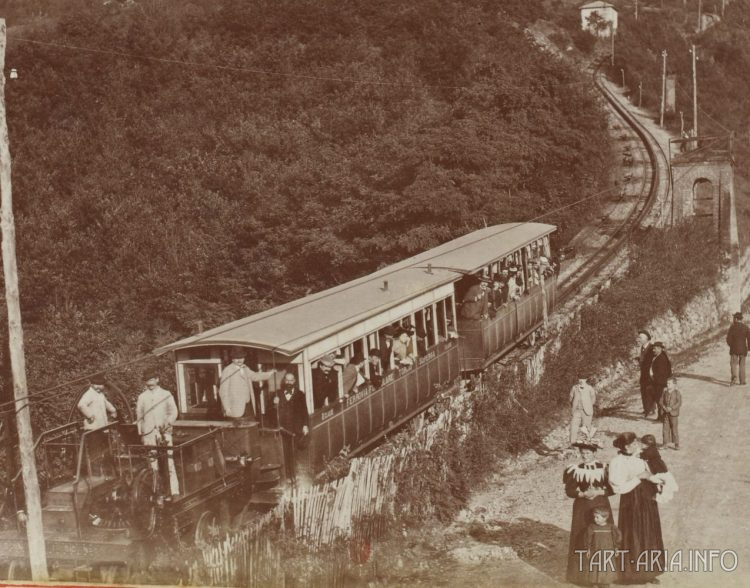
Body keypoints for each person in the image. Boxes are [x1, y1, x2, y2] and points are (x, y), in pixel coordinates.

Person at [608, 432, 665, 584]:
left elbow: (651, 472)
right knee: (632, 534)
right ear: (625, 447)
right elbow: (617, 488)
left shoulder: (641, 456)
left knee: (649, 532)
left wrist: (657, 481)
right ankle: (630, 574)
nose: (636, 446)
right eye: (632, 444)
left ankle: (649, 572)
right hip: (631, 502)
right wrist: (638, 478)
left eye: (636, 443)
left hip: (646, 500)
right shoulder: (617, 462)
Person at [563, 427, 612, 585]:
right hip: (582, 507)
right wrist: (582, 494)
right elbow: (569, 490)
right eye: (583, 454)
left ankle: (603, 577)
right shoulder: (575, 469)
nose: (585, 456)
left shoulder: (604, 468)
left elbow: (612, 489)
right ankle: (584, 577)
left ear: (594, 453)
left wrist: (599, 492)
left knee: (602, 538)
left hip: (600, 504)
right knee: (583, 537)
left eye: (588, 453)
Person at [136, 372, 180, 496]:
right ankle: (157, 492)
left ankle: (174, 491)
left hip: (164, 433)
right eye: (147, 381)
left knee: (169, 462)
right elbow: (139, 416)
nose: (149, 383)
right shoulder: (142, 397)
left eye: (151, 380)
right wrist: (142, 434)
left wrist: (168, 422)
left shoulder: (166, 394)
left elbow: (173, 412)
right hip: (149, 434)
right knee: (152, 464)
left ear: (157, 379)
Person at [218, 347, 275, 420]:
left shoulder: (245, 368)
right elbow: (223, 391)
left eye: (241, 358)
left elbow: (254, 376)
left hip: (247, 404)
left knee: (250, 426)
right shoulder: (227, 370)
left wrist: (270, 373)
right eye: (237, 358)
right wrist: (227, 408)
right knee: (238, 429)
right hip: (235, 407)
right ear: (232, 359)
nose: (239, 360)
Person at [274, 372, 309, 480]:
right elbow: (270, 412)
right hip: (283, 429)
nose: (289, 382)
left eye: (291, 380)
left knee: (295, 453)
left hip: (296, 429)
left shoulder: (300, 394)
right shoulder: (277, 394)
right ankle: (287, 477)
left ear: (294, 381)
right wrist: (274, 404)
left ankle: (296, 476)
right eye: (287, 380)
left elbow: (304, 411)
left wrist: (305, 425)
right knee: (285, 453)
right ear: (284, 381)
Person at [582, 506, 622, 587]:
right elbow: (588, 538)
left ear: (605, 518)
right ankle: (595, 582)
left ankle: (605, 583)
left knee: (607, 566)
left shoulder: (611, 527)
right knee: (595, 566)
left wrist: (616, 548)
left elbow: (617, 537)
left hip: (608, 552)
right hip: (596, 551)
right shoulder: (592, 527)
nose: (595, 519)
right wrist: (588, 549)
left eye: (597, 517)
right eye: (594, 517)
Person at [640, 435, 678, 504]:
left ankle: (660, 491)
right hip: (659, 468)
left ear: (647, 444)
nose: (641, 445)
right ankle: (660, 488)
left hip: (658, 469)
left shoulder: (650, 451)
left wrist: (637, 454)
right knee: (659, 479)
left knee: (659, 479)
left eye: (642, 444)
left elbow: (643, 455)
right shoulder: (652, 448)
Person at [569, 376, 596, 446]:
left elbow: (593, 399)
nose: (581, 380)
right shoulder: (574, 388)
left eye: (583, 379)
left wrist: (588, 405)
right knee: (573, 426)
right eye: (580, 379)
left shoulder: (589, 388)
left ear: (586, 380)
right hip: (576, 411)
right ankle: (573, 443)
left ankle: (586, 444)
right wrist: (574, 406)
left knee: (586, 428)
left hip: (586, 411)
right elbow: (570, 398)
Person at [726, 312, 750, 385]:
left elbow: (728, 339)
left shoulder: (732, 327)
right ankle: (742, 381)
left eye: (734, 318)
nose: (733, 319)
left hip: (734, 349)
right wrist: (749, 348)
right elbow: (749, 339)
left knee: (733, 364)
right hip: (743, 349)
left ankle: (734, 378)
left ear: (736, 319)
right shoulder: (746, 327)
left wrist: (731, 345)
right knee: (742, 365)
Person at [636, 330, 655, 417]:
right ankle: (646, 409)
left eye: (640, 337)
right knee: (643, 390)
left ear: (646, 339)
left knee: (649, 391)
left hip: (650, 374)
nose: (638, 339)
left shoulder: (652, 348)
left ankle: (651, 409)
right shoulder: (642, 348)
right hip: (643, 374)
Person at [650, 342, 671, 421]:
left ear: (659, 349)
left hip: (660, 382)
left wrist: (654, 378)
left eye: (655, 348)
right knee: (659, 399)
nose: (653, 350)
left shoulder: (661, 358)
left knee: (660, 400)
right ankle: (660, 417)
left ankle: (662, 417)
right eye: (653, 348)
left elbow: (662, 373)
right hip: (658, 382)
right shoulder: (658, 356)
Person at [659, 377, 681, 450]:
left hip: (673, 414)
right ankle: (665, 443)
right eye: (667, 383)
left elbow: (679, 402)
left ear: (674, 384)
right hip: (666, 413)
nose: (667, 385)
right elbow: (661, 401)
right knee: (665, 429)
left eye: (669, 383)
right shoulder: (664, 392)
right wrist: (664, 407)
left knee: (674, 429)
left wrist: (672, 408)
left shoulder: (677, 393)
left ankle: (676, 444)